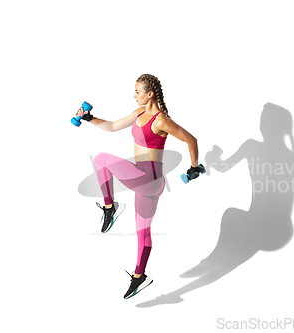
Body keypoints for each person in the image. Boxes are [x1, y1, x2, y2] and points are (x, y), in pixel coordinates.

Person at [75, 74, 201, 299]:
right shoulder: (138, 113)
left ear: (149, 94)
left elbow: (191, 140)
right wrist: (89, 118)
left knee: (102, 159)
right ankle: (139, 276)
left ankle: (109, 207)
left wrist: (193, 168)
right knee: (143, 232)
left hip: (149, 178)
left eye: (137, 92)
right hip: (143, 180)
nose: (134, 96)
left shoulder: (161, 120)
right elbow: (113, 126)